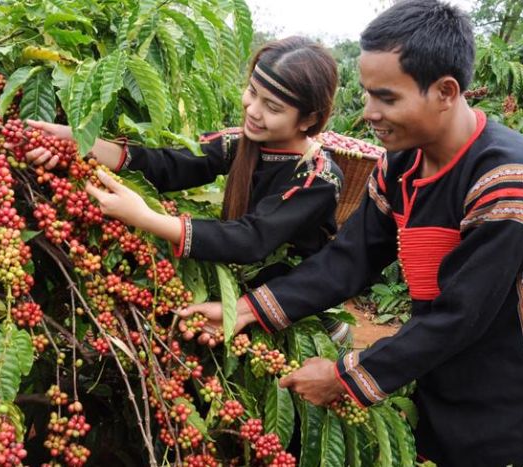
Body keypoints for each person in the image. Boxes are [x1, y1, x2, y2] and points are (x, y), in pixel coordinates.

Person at [179, 1, 523, 465]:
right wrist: (247, 310)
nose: (368, 112)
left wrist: (345, 377)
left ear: (446, 91)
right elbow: (349, 259)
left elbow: (460, 316)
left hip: (515, 404)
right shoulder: (400, 164)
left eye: (387, 98)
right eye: (368, 93)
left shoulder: (510, 183)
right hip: (439, 378)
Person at [25, 36, 351, 343]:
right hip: (237, 297)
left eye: (273, 107)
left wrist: (145, 217)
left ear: (309, 120)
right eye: (252, 92)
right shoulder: (241, 142)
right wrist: (81, 142)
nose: (252, 110)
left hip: (292, 313)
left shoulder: (318, 178)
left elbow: (250, 239)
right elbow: (172, 164)